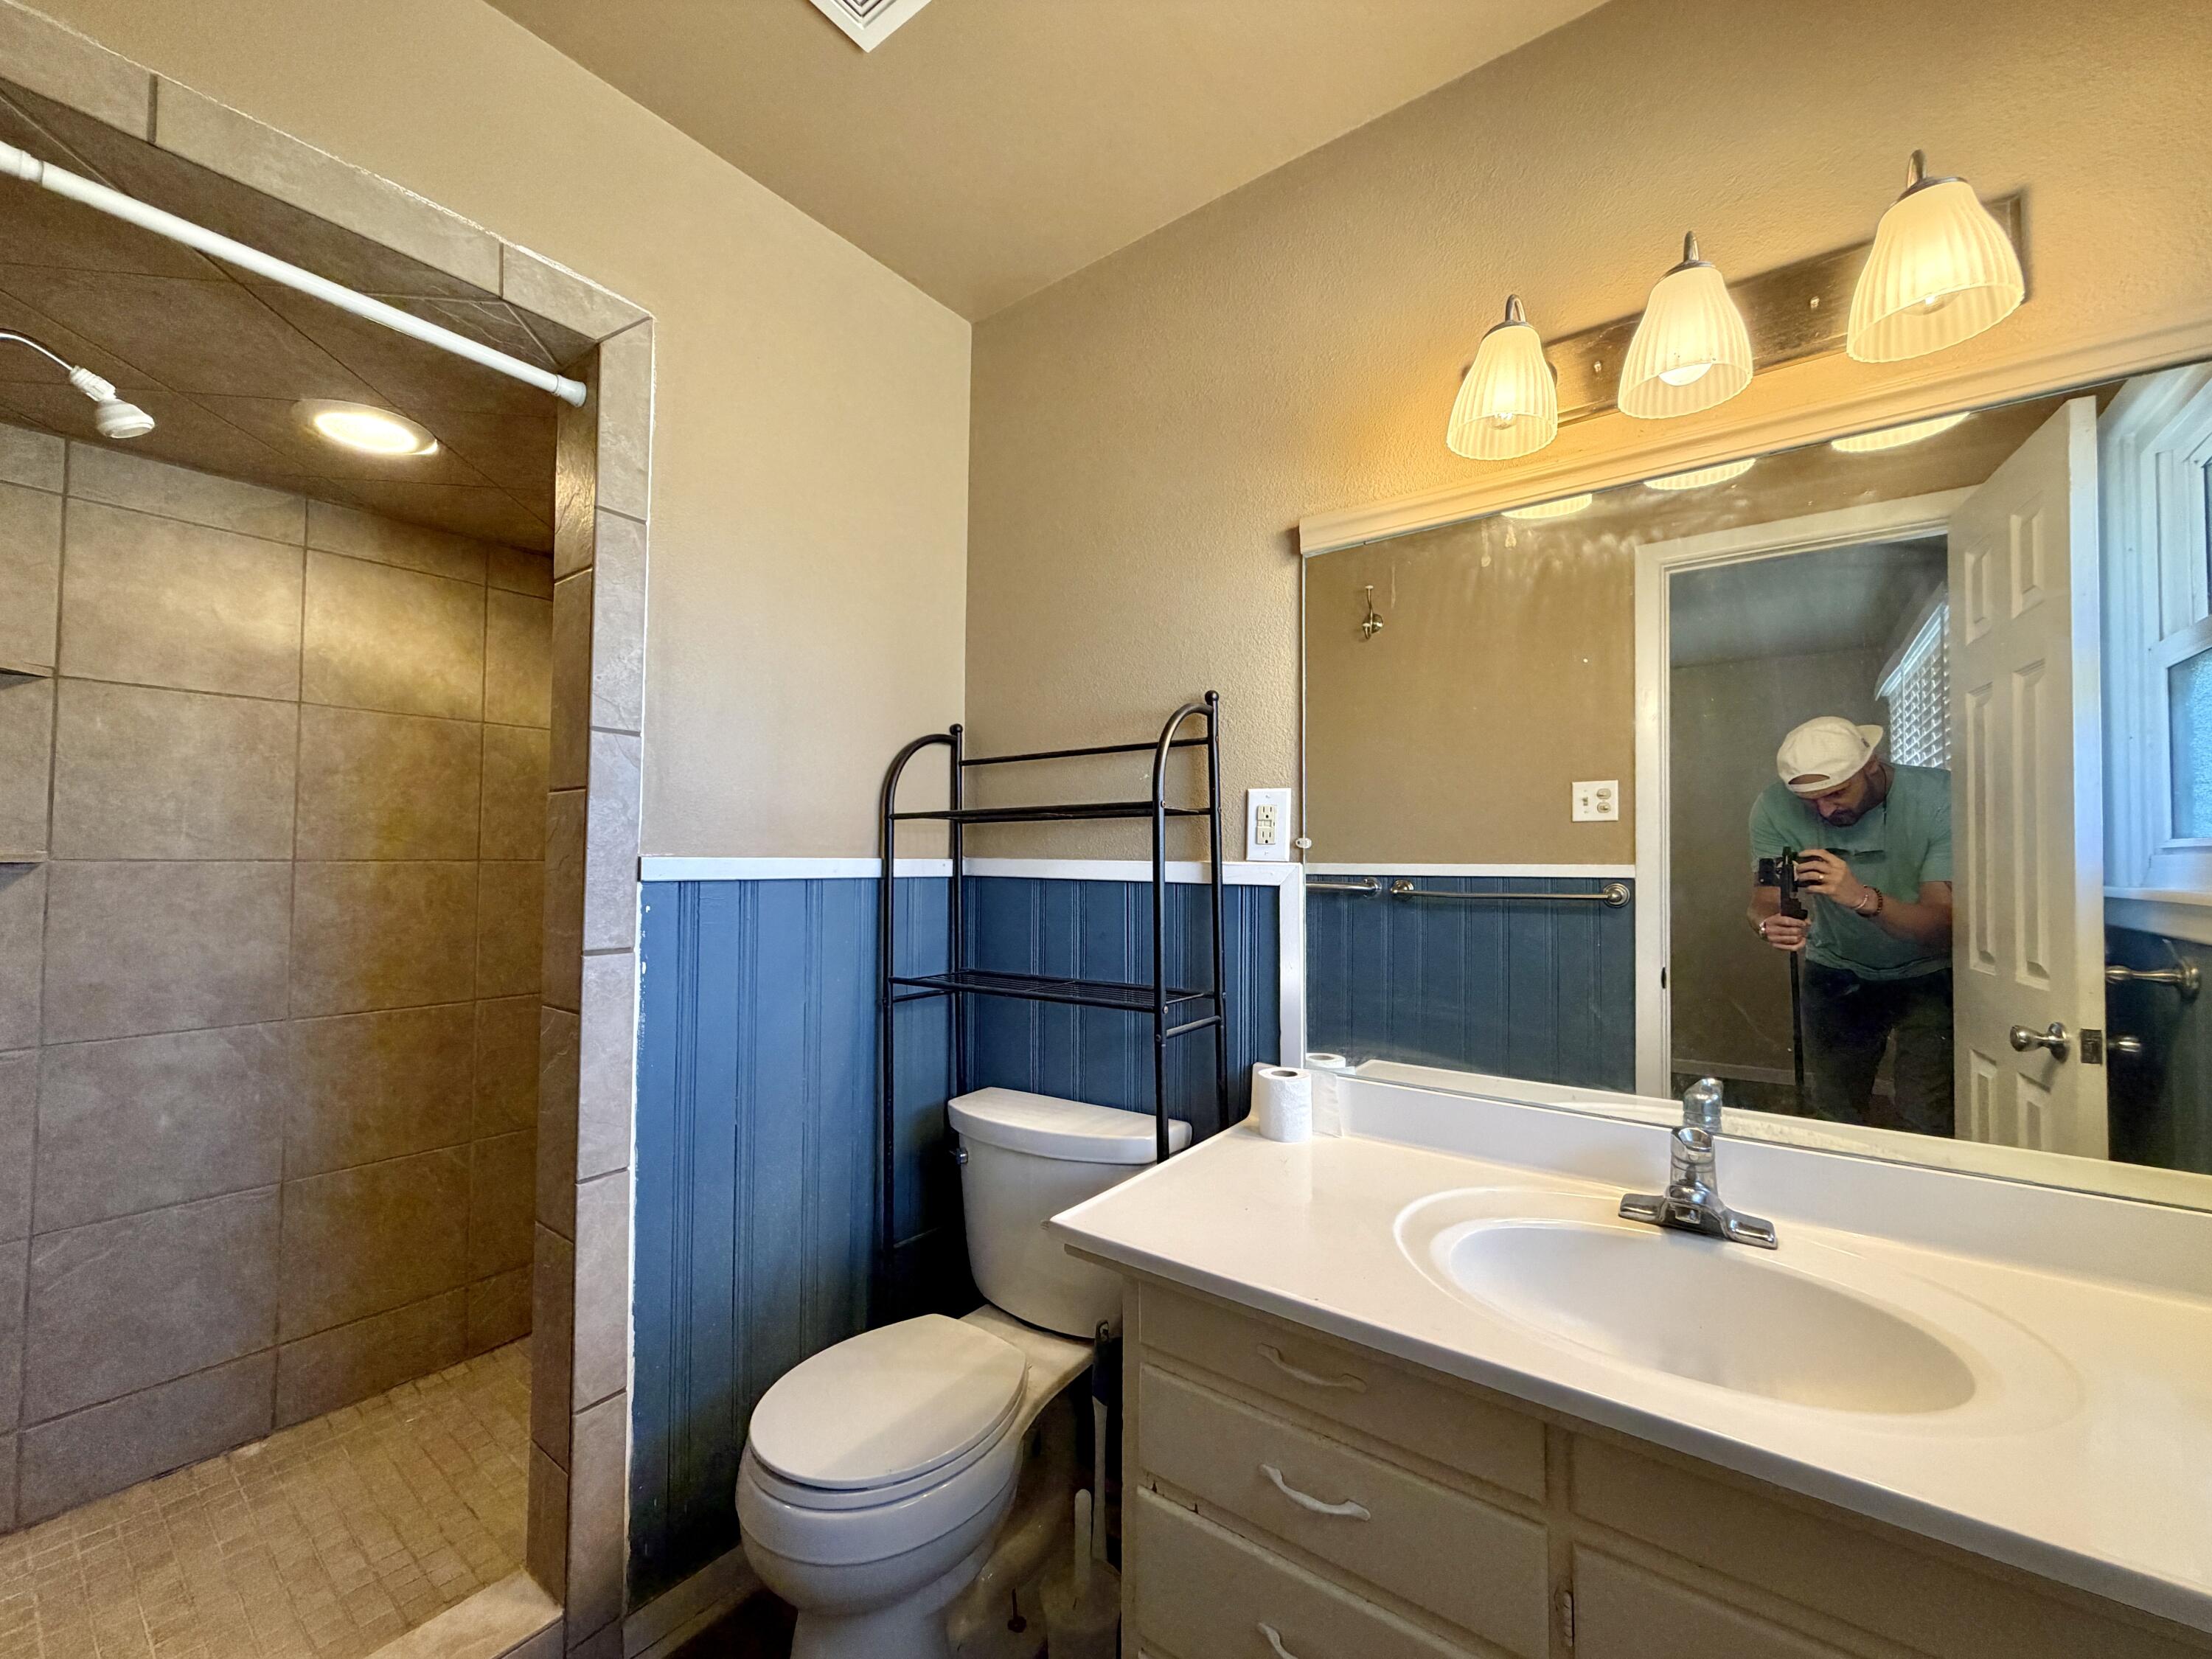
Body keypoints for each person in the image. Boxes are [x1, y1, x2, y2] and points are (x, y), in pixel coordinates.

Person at [1747, 716, 1955, 1135]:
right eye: (1811, 801)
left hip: (1930, 972)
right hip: (1836, 969)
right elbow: (1764, 899)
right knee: (1835, 1111)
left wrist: (1860, 897)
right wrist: (1769, 924)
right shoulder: (1772, 807)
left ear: (1871, 765)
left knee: (1925, 1113)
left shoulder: (1940, 797)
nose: (1826, 809)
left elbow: (1945, 926)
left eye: (1838, 792)